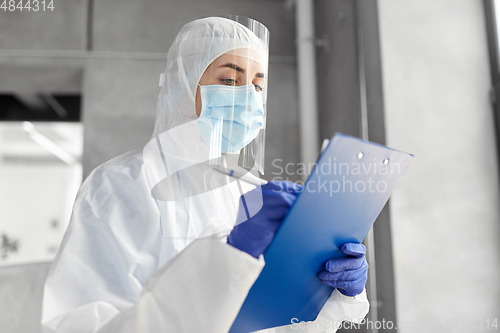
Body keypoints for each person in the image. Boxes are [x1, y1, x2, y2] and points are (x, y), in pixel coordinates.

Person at [41, 16, 369, 333]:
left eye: (257, 85)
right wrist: (229, 257)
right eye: (229, 80)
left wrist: (328, 287)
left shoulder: (252, 191)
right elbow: (85, 325)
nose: (249, 97)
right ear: (183, 84)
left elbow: (275, 322)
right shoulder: (122, 184)